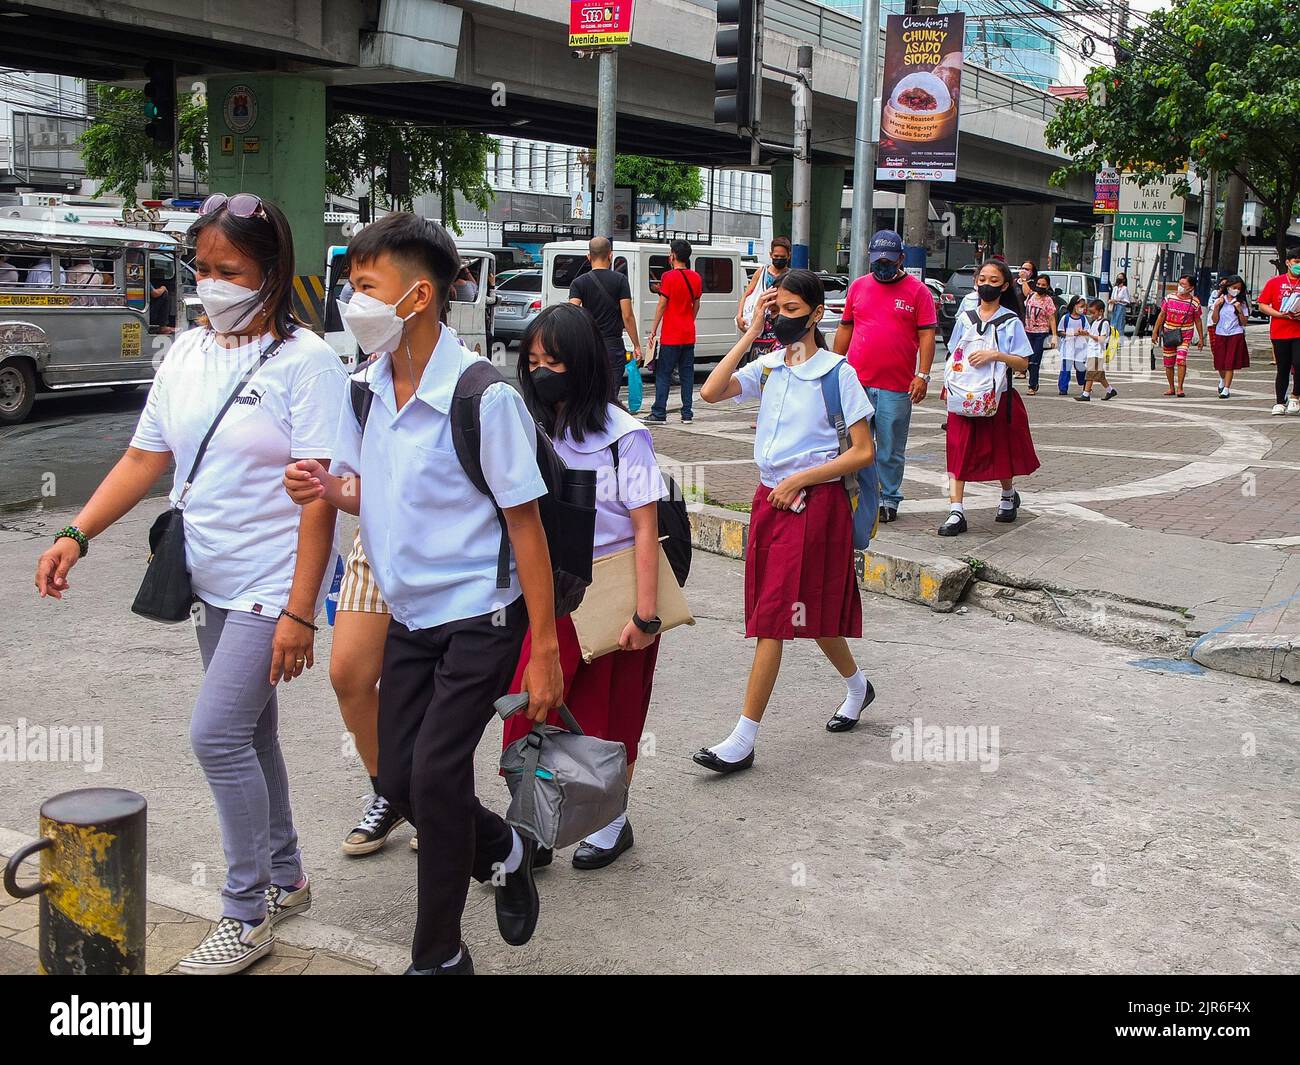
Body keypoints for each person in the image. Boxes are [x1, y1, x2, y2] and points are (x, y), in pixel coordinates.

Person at [34, 193, 347, 975]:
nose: (210, 284)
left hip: (272, 583)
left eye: (228, 270)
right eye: (201, 268)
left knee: (215, 735)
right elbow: (147, 459)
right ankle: (287, 874)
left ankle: (245, 913)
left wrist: (301, 612)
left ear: (271, 275)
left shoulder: (307, 363)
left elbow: (320, 493)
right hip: (208, 574)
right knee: (252, 733)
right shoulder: (185, 353)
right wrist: (76, 533)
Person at [282, 212, 562, 976]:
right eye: (350, 285)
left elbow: (527, 528)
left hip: (482, 615)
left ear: (418, 297)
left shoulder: (483, 397)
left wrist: (544, 650)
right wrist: (326, 485)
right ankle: (502, 846)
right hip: (409, 615)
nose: (350, 301)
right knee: (397, 776)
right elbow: (367, 490)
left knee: (435, 776)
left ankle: (438, 955)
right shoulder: (366, 388)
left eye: (365, 286)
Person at [693, 269, 877, 774]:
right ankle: (859, 686)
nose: (785, 321)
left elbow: (863, 451)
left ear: (818, 314)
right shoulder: (769, 366)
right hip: (768, 500)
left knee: (776, 615)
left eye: (794, 312)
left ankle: (742, 738)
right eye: (779, 310)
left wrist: (802, 479)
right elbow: (710, 392)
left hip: (814, 506)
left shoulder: (838, 373)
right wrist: (753, 329)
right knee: (803, 611)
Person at [502, 303, 667, 868]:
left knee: (607, 719)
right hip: (550, 595)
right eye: (533, 360)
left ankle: (611, 819)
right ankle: (536, 821)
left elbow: (647, 528)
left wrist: (646, 616)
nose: (542, 371)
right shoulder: (527, 429)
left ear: (584, 365)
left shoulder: (626, 438)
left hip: (615, 597)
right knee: (532, 711)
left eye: (556, 361)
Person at [833, 229, 936, 523]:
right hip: (857, 382)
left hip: (897, 386)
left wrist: (923, 375)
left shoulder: (918, 292)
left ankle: (888, 498)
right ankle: (854, 493)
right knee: (853, 444)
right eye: (877, 260)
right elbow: (845, 328)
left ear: (901, 258)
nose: (882, 266)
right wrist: (834, 367)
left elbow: (927, 336)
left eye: (889, 261)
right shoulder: (858, 287)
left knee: (890, 448)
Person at [938, 259, 1040, 537]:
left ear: (1005, 285)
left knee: (1000, 449)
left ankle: (1008, 494)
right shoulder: (964, 318)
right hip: (963, 396)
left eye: (993, 281)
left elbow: (1022, 363)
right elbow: (952, 354)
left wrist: (996, 355)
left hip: (997, 398)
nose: (986, 285)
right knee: (958, 448)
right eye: (982, 279)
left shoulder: (1010, 321)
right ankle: (956, 510)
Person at [568, 236, 643, 397]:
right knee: (610, 395)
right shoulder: (620, 280)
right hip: (613, 346)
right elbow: (627, 315)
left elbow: (572, 312)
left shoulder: (579, 282)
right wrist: (636, 345)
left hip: (589, 345)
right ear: (611, 255)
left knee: (589, 392)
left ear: (589, 256)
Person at [645, 239, 701, 424]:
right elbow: (696, 304)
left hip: (671, 334)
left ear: (673, 256)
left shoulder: (668, 277)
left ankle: (659, 413)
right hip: (688, 333)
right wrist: (689, 320)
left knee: (663, 373)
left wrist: (653, 330)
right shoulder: (696, 277)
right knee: (687, 374)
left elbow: (662, 305)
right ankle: (687, 413)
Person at [1257, 246, 1300, 415]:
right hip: (1280, 331)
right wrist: (1281, 315)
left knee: (1299, 363)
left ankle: (1295, 396)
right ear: (1288, 262)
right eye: (1296, 262)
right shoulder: (1275, 282)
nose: (1299, 265)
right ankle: (1280, 402)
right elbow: (1262, 304)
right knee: (1282, 367)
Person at [735, 237, 792, 363]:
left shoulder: (791, 276)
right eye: (776, 256)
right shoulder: (762, 272)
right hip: (761, 325)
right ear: (770, 254)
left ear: (789, 256)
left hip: (781, 324)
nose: (778, 259)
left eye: (782, 257)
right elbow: (746, 294)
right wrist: (739, 315)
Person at [1150, 274, 1205, 398]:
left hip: (1185, 335)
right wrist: (1155, 332)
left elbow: (1198, 320)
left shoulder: (1195, 302)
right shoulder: (1169, 298)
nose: (1180, 286)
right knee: (1168, 363)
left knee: (1181, 360)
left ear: (1191, 288)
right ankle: (1171, 387)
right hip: (1169, 334)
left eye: (1184, 284)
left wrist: (1201, 338)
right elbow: (1161, 315)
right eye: (1179, 283)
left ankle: (1180, 387)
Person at [1209, 276, 1250, 400]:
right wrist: (1216, 307)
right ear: (1228, 287)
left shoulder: (1241, 303)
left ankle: (1226, 388)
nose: (1236, 290)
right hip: (1221, 333)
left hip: (1235, 334)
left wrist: (1239, 310)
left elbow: (1244, 322)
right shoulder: (1220, 301)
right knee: (1220, 363)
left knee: (1230, 363)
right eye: (1234, 287)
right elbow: (1214, 320)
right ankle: (1222, 379)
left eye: (1239, 288)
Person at [1075, 298, 1118, 402]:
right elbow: (1091, 333)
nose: (1091, 315)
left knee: (1090, 372)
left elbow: (1102, 339)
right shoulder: (1095, 322)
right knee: (1099, 375)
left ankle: (1086, 394)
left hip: (1097, 352)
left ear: (1101, 311)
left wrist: (1089, 334)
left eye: (1093, 312)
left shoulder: (1104, 323)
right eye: (1090, 313)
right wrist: (1083, 333)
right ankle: (1110, 390)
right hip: (1092, 351)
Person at [1023, 275, 1059, 396]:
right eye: (1038, 284)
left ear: (1047, 286)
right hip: (1027, 331)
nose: (1040, 287)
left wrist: (1054, 335)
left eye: (1043, 285)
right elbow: (1024, 289)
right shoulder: (1030, 296)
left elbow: (1052, 318)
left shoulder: (1048, 300)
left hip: (1041, 333)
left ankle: (1032, 385)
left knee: (1035, 360)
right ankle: (1030, 377)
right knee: (1026, 359)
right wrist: (1023, 278)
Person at [1056, 295, 1090, 396]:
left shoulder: (1083, 319)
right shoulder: (1065, 318)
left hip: (1080, 347)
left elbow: (1088, 330)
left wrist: (1083, 332)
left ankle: (1084, 384)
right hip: (1068, 346)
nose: (1082, 308)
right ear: (1074, 305)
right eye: (1081, 306)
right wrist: (1069, 334)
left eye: (1084, 306)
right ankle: (1063, 388)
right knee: (1066, 368)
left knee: (1080, 367)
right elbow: (1060, 331)